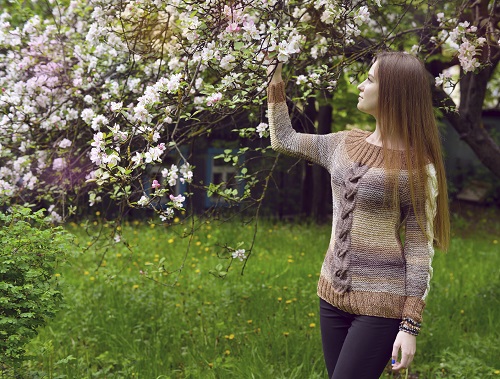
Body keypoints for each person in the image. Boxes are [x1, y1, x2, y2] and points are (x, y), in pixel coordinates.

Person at [265, 51, 450, 379]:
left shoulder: (417, 168)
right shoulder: (343, 144)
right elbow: (284, 139)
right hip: (330, 297)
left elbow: (419, 249)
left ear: (392, 92)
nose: (361, 86)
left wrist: (409, 325)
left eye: (369, 79)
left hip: (381, 308)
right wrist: (274, 75)